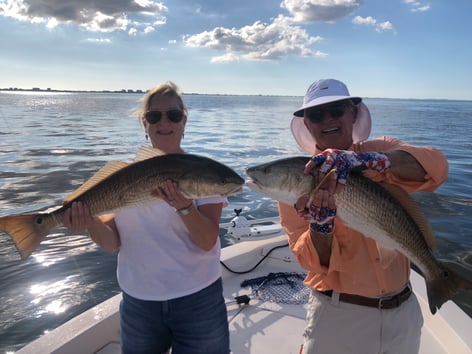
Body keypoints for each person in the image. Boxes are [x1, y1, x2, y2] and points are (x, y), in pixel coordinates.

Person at [278, 78, 448, 354]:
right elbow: (309, 261)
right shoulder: (298, 179)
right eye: (317, 114)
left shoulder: (380, 148)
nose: (327, 119)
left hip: (402, 311)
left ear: (353, 113)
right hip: (338, 316)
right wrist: (321, 227)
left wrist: (376, 162)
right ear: (307, 123)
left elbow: (438, 168)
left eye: (337, 110)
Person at [62, 82, 230, 354]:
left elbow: (206, 241)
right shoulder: (125, 179)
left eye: (173, 115)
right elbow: (110, 243)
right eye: (154, 116)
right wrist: (88, 220)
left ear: (184, 120)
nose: (164, 122)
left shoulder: (204, 174)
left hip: (198, 298)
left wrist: (185, 206)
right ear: (144, 123)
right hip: (139, 303)